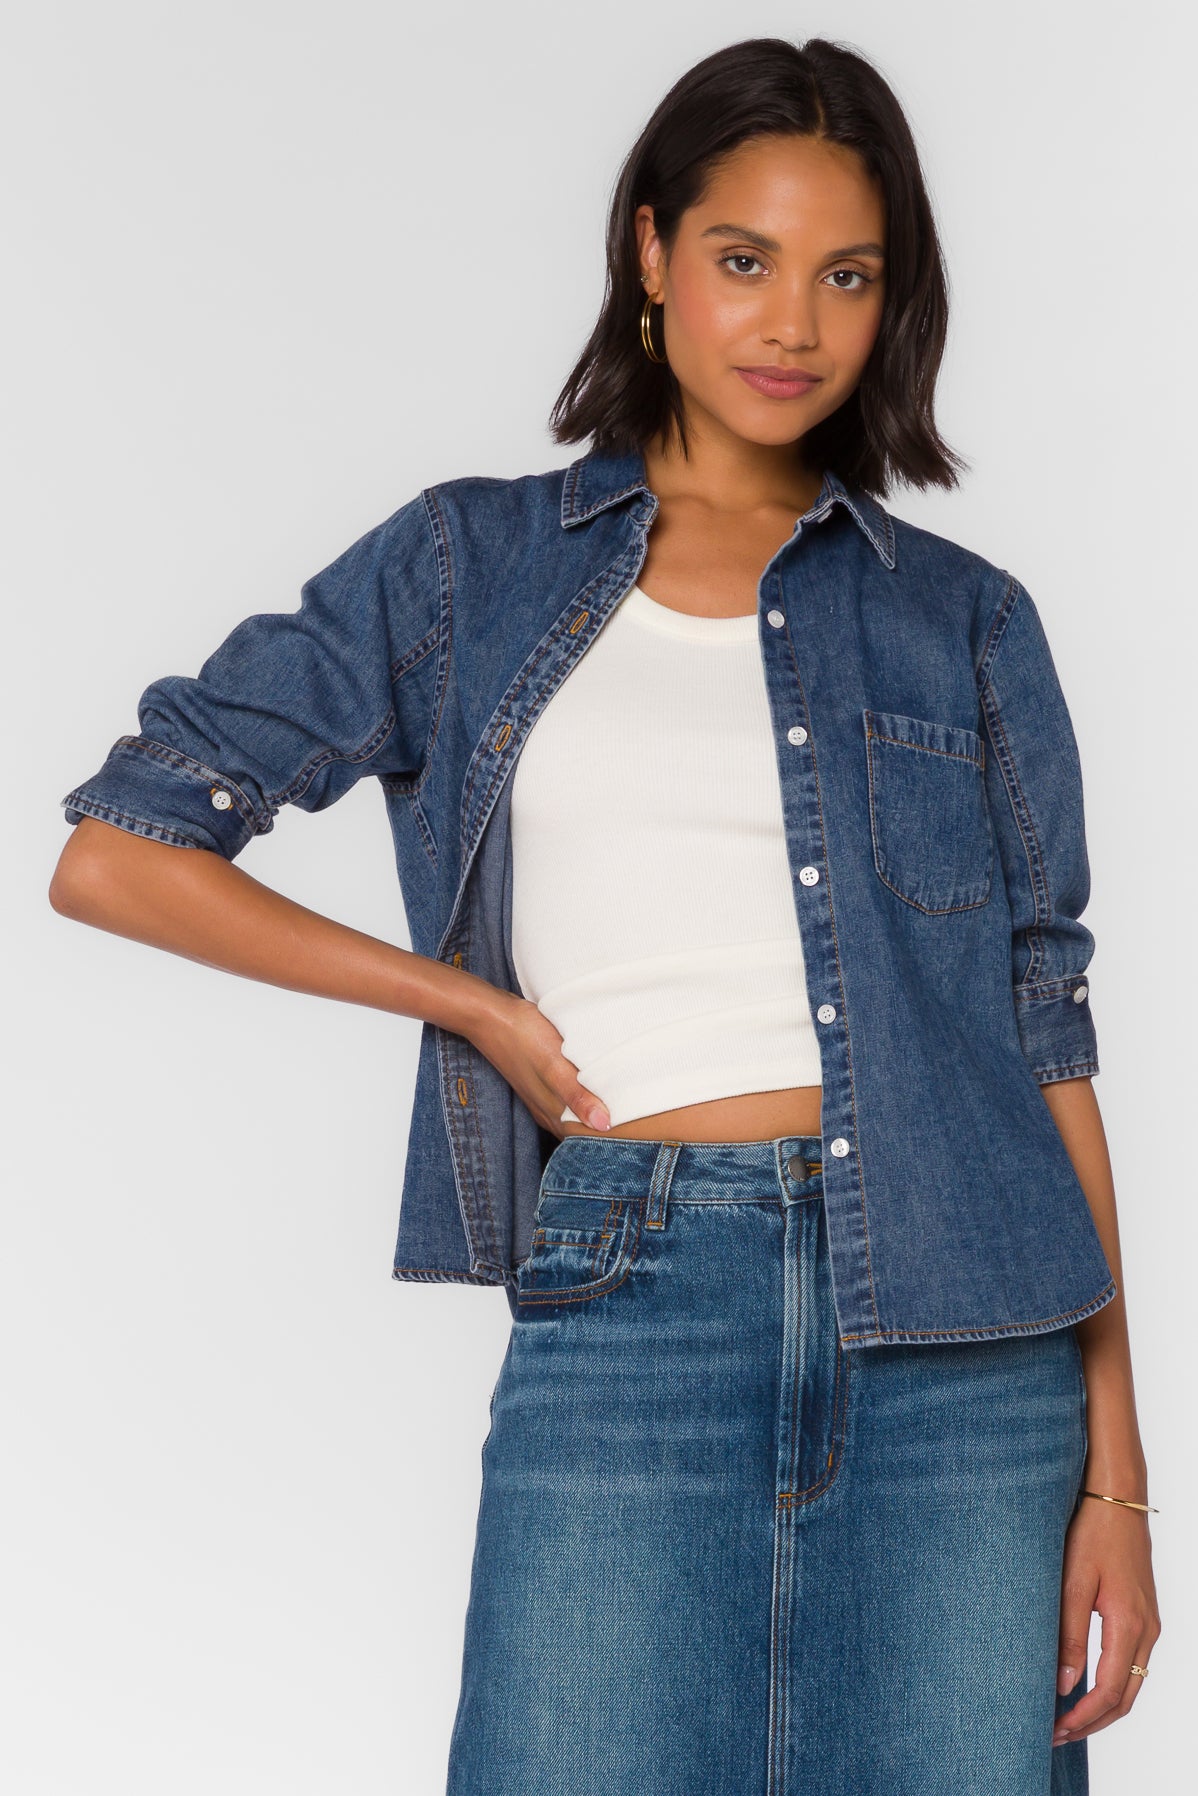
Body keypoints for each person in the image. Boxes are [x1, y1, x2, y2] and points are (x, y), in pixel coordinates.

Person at [49, 33, 1159, 1796]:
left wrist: (1119, 1481)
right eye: (744, 258)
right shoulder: (466, 565)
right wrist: (466, 1003)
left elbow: (1045, 1041)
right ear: (649, 251)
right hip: (635, 1293)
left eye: (846, 275)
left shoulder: (961, 617)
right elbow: (119, 851)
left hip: (970, 1348)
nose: (792, 322)